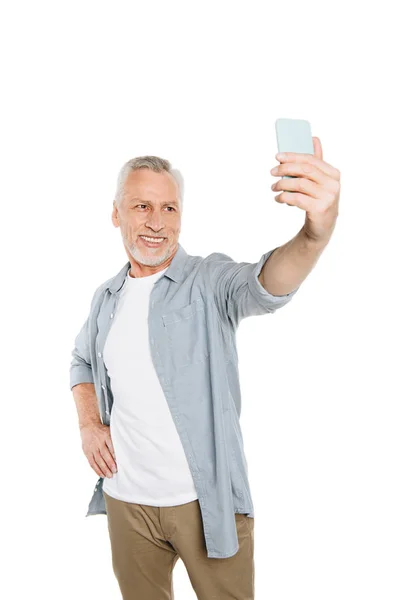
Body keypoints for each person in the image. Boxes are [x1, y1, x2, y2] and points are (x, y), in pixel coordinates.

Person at [70, 146, 340, 600]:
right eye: (142, 206)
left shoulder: (209, 281)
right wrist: (89, 423)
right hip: (126, 503)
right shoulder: (107, 297)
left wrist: (316, 231)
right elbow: (81, 360)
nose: (157, 221)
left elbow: (265, 282)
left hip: (207, 505)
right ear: (117, 215)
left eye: (169, 207)